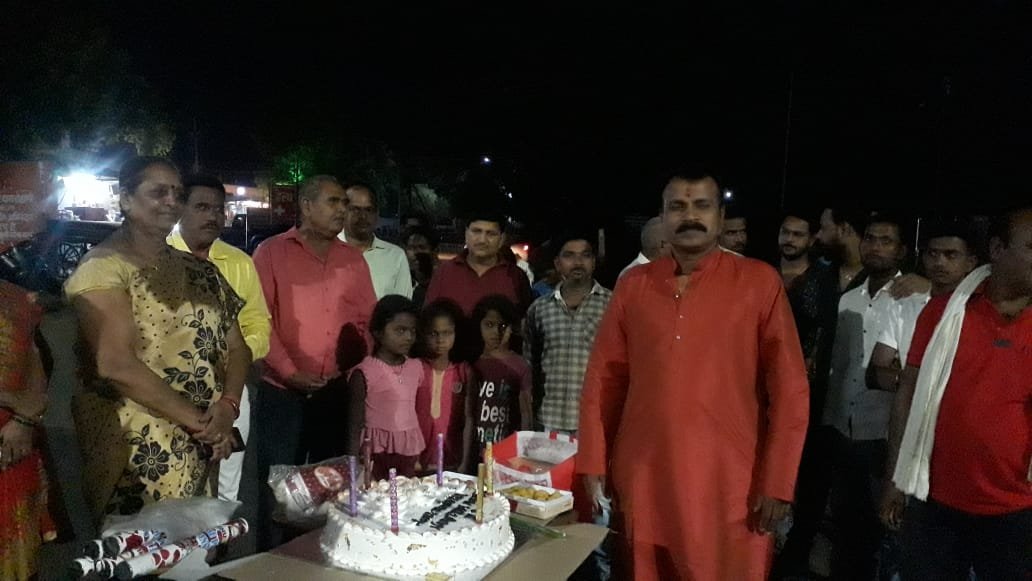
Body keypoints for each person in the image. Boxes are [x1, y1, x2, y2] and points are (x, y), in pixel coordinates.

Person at [578, 168, 810, 580]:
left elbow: (790, 389)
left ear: (720, 217)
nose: (689, 216)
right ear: (663, 217)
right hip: (645, 479)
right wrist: (594, 459)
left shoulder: (758, 282)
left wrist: (778, 481)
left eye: (701, 206)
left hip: (730, 486)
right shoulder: (634, 285)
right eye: (678, 207)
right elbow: (603, 380)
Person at [65, 157, 248, 521]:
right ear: (125, 199)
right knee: (142, 547)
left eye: (177, 193)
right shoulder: (103, 268)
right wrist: (203, 424)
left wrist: (228, 407)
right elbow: (115, 363)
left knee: (195, 546)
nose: (171, 201)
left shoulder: (201, 270)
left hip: (202, 442)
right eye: (158, 192)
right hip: (136, 448)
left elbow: (238, 347)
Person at [880, 205, 1032, 580]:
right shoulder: (943, 313)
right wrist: (895, 479)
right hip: (936, 501)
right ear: (997, 249)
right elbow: (907, 396)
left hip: (1019, 510)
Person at [251, 174, 377, 550]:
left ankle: (320, 557)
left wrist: (356, 368)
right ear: (306, 206)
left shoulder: (352, 260)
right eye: (334, 202)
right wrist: (290, 372)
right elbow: (259, 321)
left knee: (330, 485)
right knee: (277, 489)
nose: (342, 210)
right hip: (281, 392)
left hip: (334, 393)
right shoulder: (271, 253)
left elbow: (368, 321)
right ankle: (271, 561)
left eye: (344, 203)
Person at [168, 174, 272, 502]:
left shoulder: (238, 263)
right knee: (175, 479)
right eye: (201, 207)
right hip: (170, 392)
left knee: (226, 482)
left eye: (218, 209)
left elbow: (257, 323)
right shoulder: (158, 257)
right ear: (179, 209)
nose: (213, 216)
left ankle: (218, 534)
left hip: (231, 388)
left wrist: (232, 360)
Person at [821, 212, 907, 580]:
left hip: (884, 434)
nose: (875, 247)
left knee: (881, 534)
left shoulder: (913, 299)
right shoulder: (848, 301)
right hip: (842, 431)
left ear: (902, 250)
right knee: (846, 529)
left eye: (886, 240)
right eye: (870, 238)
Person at [770, 211, 842, 579]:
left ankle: (794, 555)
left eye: (798, 234)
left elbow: (825, 336)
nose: (790, 240)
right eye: (785, 232)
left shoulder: (823, 281)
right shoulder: (763, 276)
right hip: (760, 392)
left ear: (811, 239)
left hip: (807, 395)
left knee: (805, 477)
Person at [867, 220, 978, 393]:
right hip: (910, 405)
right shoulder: (903, 305)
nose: (939, 262)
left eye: (951, 255)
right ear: (923, 258)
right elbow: (876, 372)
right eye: (933, 253)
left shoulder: (979, 311)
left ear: (970, 262)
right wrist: (914, 386)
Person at [524, 233, 612, 435]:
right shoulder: (540, 309)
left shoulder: (612, 305)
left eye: (585, 255)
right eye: (569, 256)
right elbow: (529, 363)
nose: (578, 262)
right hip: (549, 418)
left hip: (595, 418)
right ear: (557, 263)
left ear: (593, 262)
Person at [0, 281, 57, 580]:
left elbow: (37, 364)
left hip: (13, 446)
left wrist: (24, 419)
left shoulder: (15, 298)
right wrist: (16, 403)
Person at [345, 295, 425, 479]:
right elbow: (354, 425)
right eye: (400, 330)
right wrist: (352, 467)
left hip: (408, 451)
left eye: (412, 331)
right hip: (375, 452)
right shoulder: (364, 372)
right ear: (378, 332)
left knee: (405, 494)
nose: (408, 337)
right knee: (377, 495)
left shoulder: (416, 367)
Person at [463, 295, 532, 469]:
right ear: (479, 326)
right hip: (476, 450)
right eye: (489, 325)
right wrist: (464, 459)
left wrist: (522, 454)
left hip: (506, 452)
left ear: (511, 328)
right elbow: (468, 414)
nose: (495, 332)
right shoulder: (473, 363)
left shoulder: (519, 366)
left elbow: (526, 415)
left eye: (502, 326)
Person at [425, 211, 533, 317]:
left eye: (491, 234)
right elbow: (428, 318)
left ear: (502, 239)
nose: (482, 240)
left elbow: (525, 322)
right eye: (476, 231)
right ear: (466, 234)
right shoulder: (444, 272)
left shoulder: (516, 277)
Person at [414, 299, 473, 472]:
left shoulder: (464, 371)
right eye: (434, 333)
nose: (440, 340)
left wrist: (464, 462)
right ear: (423, 334)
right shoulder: (415, 367)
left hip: (453, 462)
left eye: (447, 333)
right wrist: (413, 458)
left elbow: (469, 419)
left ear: (456, 333)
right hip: (419, 462)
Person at [338, 183, 412, 299]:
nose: (363, 216)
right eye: (355, 209)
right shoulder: (327, 250)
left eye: (368, 210)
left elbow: (401, 306)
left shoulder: (395, 256)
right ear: (343, 212)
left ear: (377, 214)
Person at [816, 206, 867, 292]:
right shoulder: (820, 273)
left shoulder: (879, 277)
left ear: (844, 229)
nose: (818, 235)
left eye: (823, 228)